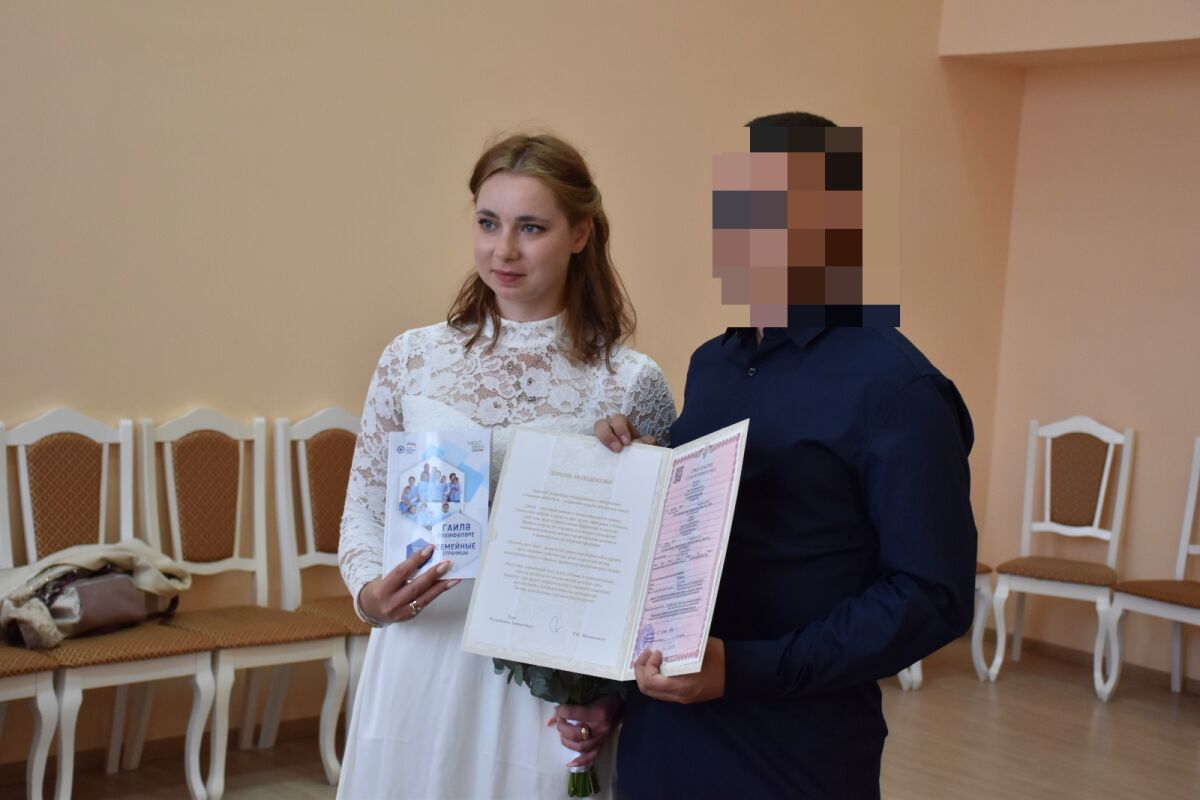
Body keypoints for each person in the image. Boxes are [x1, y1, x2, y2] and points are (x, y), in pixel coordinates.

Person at [594, 112, 977, 798]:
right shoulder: (711, 365)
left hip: (796, 750)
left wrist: (745, 668)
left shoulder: (899, 387)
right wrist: (637, 468)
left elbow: (933, 596)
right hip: (663, 738)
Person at [337, 132, 676, 800]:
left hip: (550, 679)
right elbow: (364, 511)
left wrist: (610, 697)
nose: (504, 250)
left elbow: (647, 568)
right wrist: (369, 596)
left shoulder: (631, 382)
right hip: (420, 655)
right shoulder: (411, 359)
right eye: (488, 223)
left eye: (531, 228)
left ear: (580, 233)